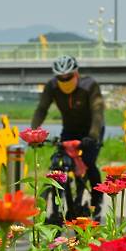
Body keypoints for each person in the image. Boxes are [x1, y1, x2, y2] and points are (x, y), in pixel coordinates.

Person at [30, 55, 105, 219]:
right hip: (69, 130)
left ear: (76, 73)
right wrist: (34, 134)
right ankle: (57, 207)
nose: (65, 80)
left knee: (89, 162)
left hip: (91, 129)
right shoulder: (52, 87)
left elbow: (98, 111)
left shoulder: (89, 85)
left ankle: (97, 202)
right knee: (58, 162)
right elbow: (42, 109)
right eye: (60, 78)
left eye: (68, 77)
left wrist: (92, 136)